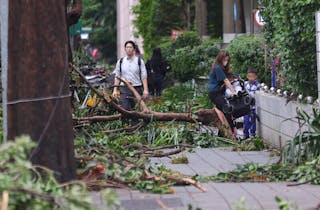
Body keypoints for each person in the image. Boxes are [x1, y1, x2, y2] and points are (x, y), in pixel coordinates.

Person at [112, 40, 149, 125]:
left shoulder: (139, 61)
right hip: (124, 89)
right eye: (127, 47)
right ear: (125, 49)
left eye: (130, 47)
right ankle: (125, 127)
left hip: (137, 88)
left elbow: (144, 76)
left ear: (134, 49)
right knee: (125, 108)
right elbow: (117, 76)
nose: (128, 49)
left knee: (135, 109)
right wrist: (115, 90)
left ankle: (134, 128)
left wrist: (146, 90)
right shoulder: (121, 62)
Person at [208, 50, 237, 140]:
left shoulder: (221, 68)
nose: (226, 62)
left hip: (218, 93)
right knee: (227, 109)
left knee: (225, 112)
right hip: (215, 93)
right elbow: (225, 81)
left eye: (227, 60)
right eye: (224, 60)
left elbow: (228, 78)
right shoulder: (217, 68)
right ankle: (231, 135)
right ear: (220, 59)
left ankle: (222, 135)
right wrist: (233, 91)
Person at [243, 69, 260, 139]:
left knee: (253, 120)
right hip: (246, 106)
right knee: (246, 121)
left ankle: (252, 134)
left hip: (253, 107)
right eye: (249, 76)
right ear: (247, 76)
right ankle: (245, 134)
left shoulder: (258, 85)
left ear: (255, 77)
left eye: (252, 76)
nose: (251, 78)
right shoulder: (245, 84)